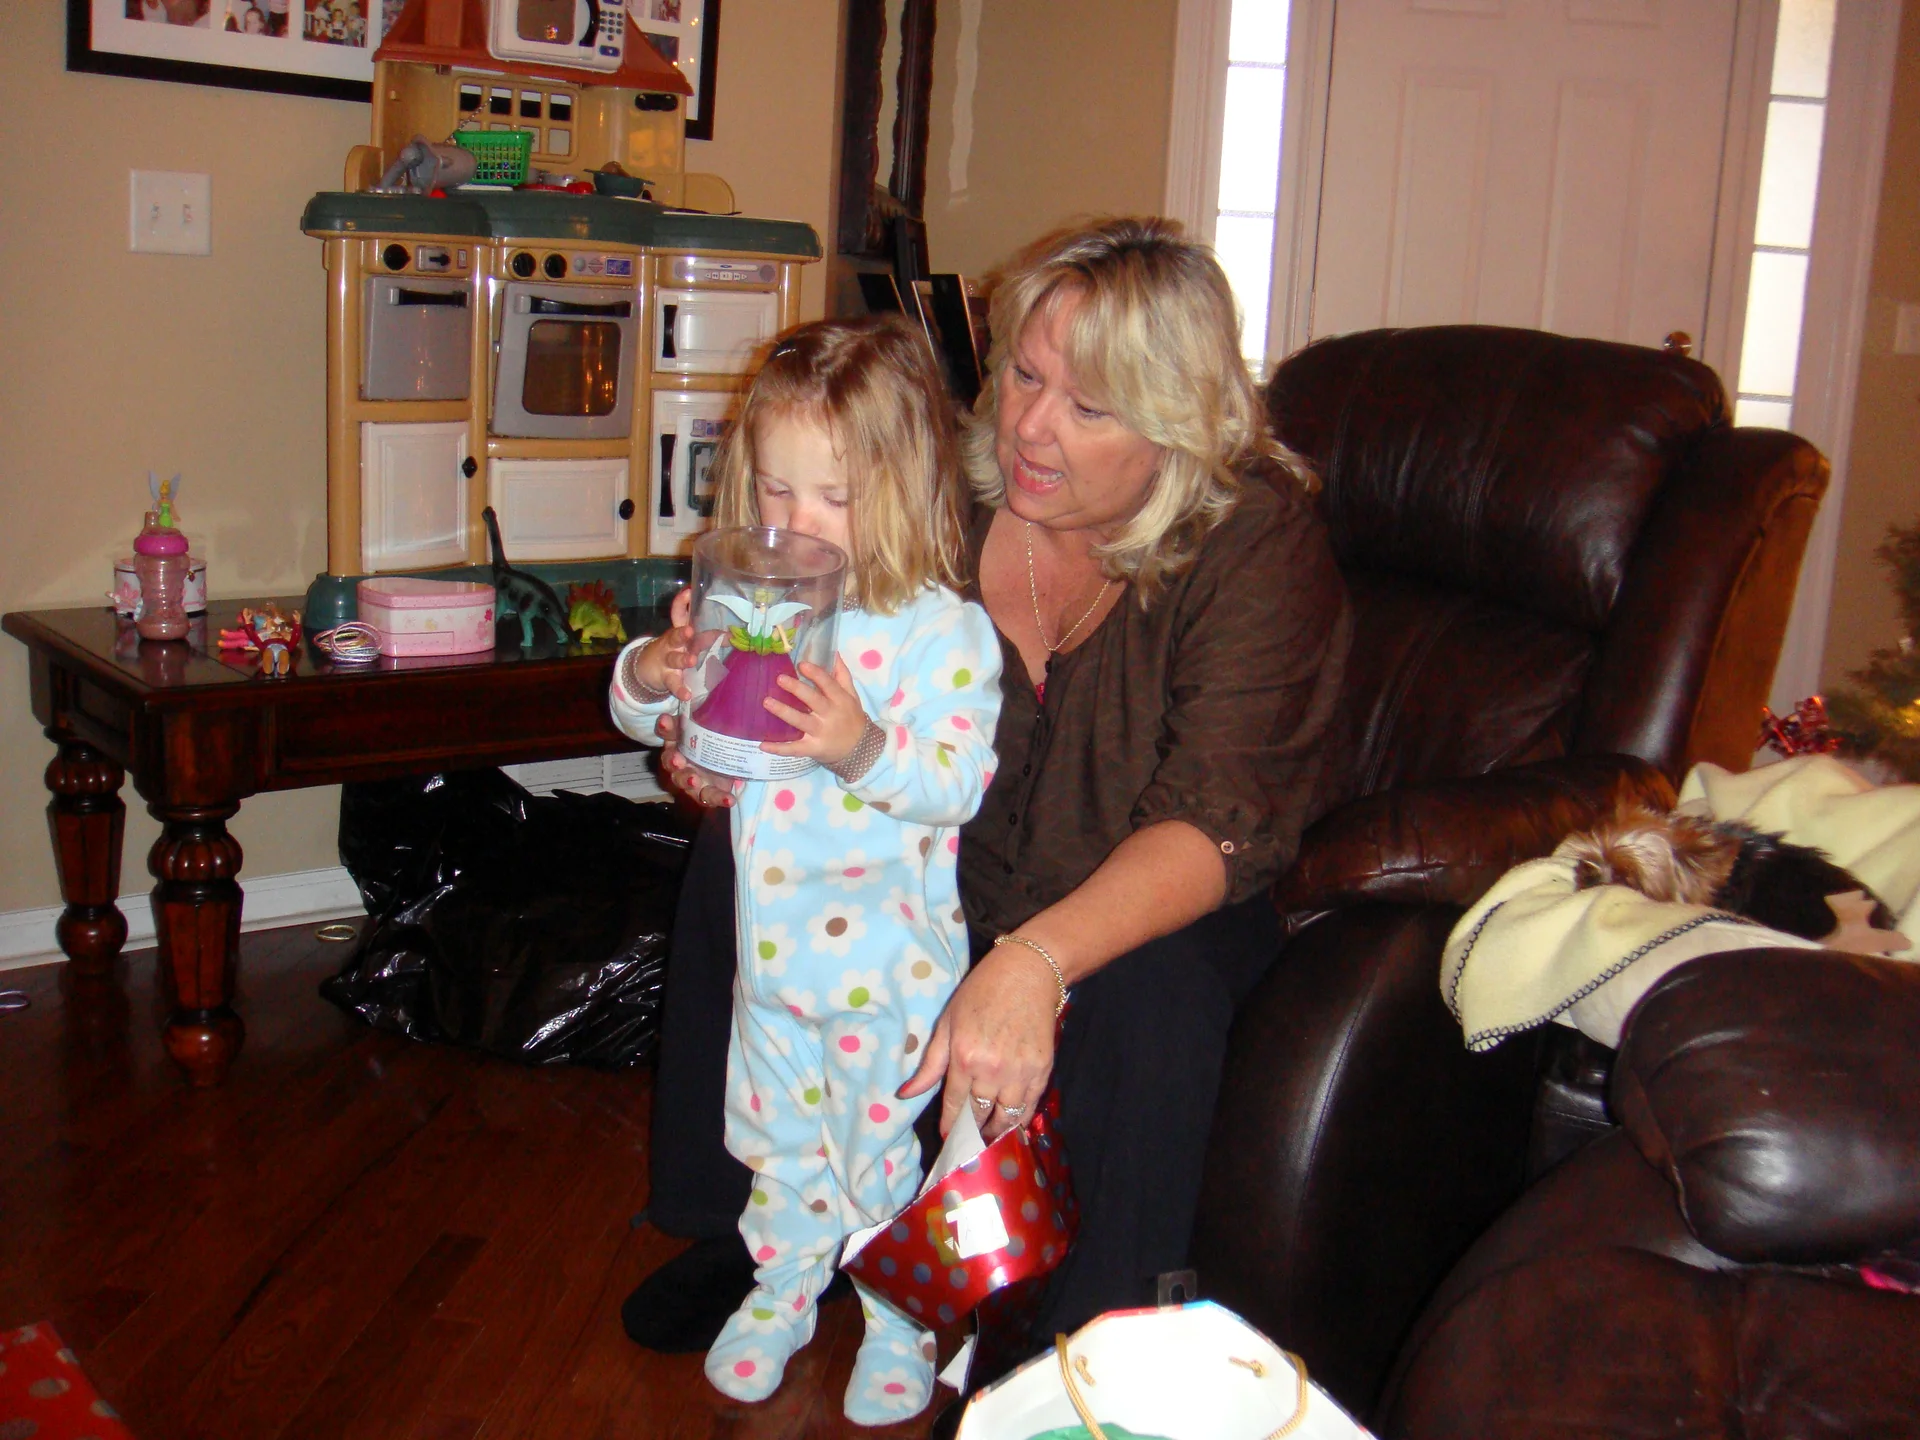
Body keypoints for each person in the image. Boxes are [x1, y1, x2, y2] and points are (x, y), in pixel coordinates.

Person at [629, 218, 1353, 1418]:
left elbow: (1219, 818)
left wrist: (1036, 959)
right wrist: (727, 743)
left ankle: (1075, 1361)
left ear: (1174, 421)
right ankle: (756, 1237)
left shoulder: (1254, 541)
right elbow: (817, 655)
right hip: (946, 854)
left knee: (1152, 997)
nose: (1027, 427)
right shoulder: (949, 496)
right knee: (738, 863)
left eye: (1088, 407)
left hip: (1150, 891)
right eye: (1024, 374)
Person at [607, 316, 1004, 1425]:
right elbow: (657, 720)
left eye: (833, 497)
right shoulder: (755, 606)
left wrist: (858, 745)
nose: (797, 522)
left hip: (887, 975)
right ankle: (784, 1287)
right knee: (777, 1144)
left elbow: (956, 782)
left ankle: (897, 1316)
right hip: (771, 961)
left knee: (876, 1155)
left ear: (902, 489)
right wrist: (661, 679)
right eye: (776, 492)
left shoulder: (939, 634)